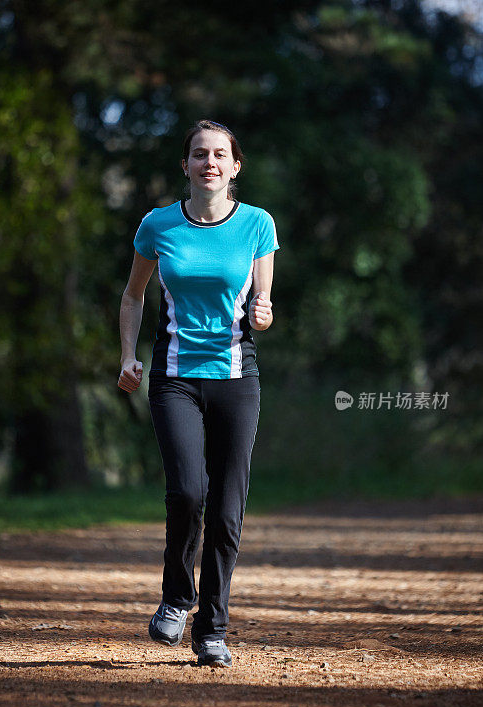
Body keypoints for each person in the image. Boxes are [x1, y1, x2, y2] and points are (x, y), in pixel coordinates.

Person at [118, 119, 279, 667]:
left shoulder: (257, 224)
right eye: (198, 154)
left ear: (235, 167)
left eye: (219, 155)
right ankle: (176, 597)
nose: (209, 162)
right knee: (188, 492)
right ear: (184, 165)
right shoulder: (158, 225)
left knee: (228, 509)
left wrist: (265, 309)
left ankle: (211, 629)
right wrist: (127, 356)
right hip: (175, 378)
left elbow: (263, 299)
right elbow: (134, 296)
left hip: (236, 378)